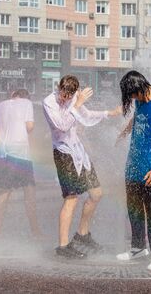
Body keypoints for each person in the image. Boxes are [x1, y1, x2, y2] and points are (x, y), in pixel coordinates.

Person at [43, 75, 121, 259]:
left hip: (78, 151)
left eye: (70, 96)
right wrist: (77, 104)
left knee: (96, 193)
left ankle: (82, 235)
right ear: (58, 88)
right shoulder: (48, 102)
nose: (66, 99)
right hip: (63, 153)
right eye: (64, 95)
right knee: (72, 198)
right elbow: (62, 126)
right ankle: (63, 247)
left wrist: (109, 113)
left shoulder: (74, 99)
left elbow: (85, 116)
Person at [116, 70, 151, 272]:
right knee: (134, 209)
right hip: (133, 165)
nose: (132, 99)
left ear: (140, 88)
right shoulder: (140, 101)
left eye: (132, 94)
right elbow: (137, 119)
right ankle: (138, 247)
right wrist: (124, 132)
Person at [0, 89, 43, 240]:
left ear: (13, 96)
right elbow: (30, 127)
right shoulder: (27, 103)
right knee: (29, 191)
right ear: (26, 97)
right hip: (20, 154)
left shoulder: (1, 105)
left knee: (5, 191)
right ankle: (35, 232)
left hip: (3, 153)